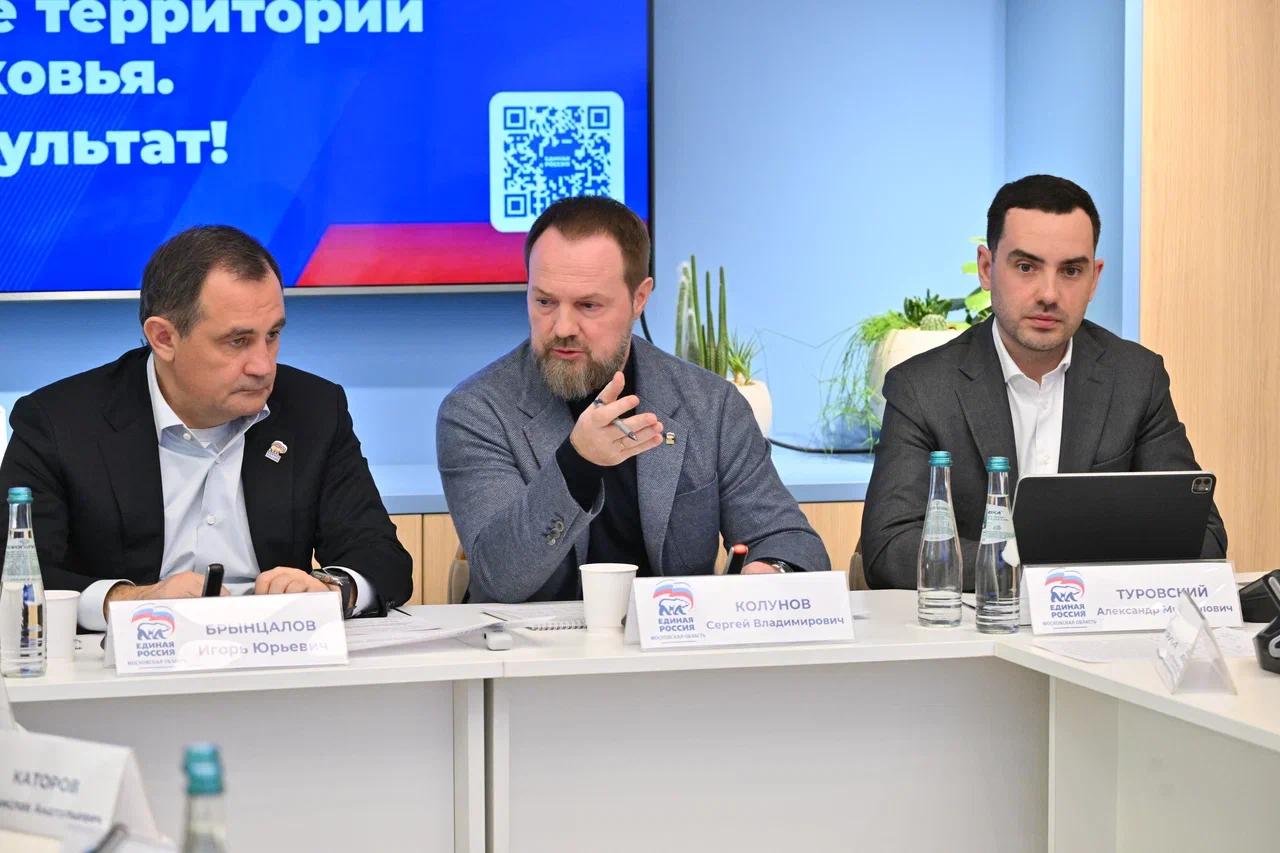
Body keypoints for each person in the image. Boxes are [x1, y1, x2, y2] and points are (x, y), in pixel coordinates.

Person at [0, 226, 412, 629]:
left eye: (272, 335)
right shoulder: (58, 423)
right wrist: (129, 601)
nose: (263, 365)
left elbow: (381, 556)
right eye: (238, 341)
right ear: (163, 338)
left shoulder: (313, 408)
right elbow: (15, 575)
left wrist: (332, 588)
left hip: (275, 650)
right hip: (132, 654)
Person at [437, 195, 829, 602]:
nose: (562, 327)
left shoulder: (710, 405)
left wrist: (771, 570)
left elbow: (791, 542)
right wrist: (578, 463)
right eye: (545, 302)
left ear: (639, 299)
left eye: (588, 305)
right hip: (530, 640)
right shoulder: (477, 411)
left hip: (673, 635)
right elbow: (501, 577)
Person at [862, 174, 1227, 589]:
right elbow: (889, 548)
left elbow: (1203, 537)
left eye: (1071, 270)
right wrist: (1036, 574)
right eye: (1026, 267)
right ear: (986, 268)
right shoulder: (923, 388)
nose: (1049, 294)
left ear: (1094, 278)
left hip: (1098, 622)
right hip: (978, 622)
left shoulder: (1136, 379)